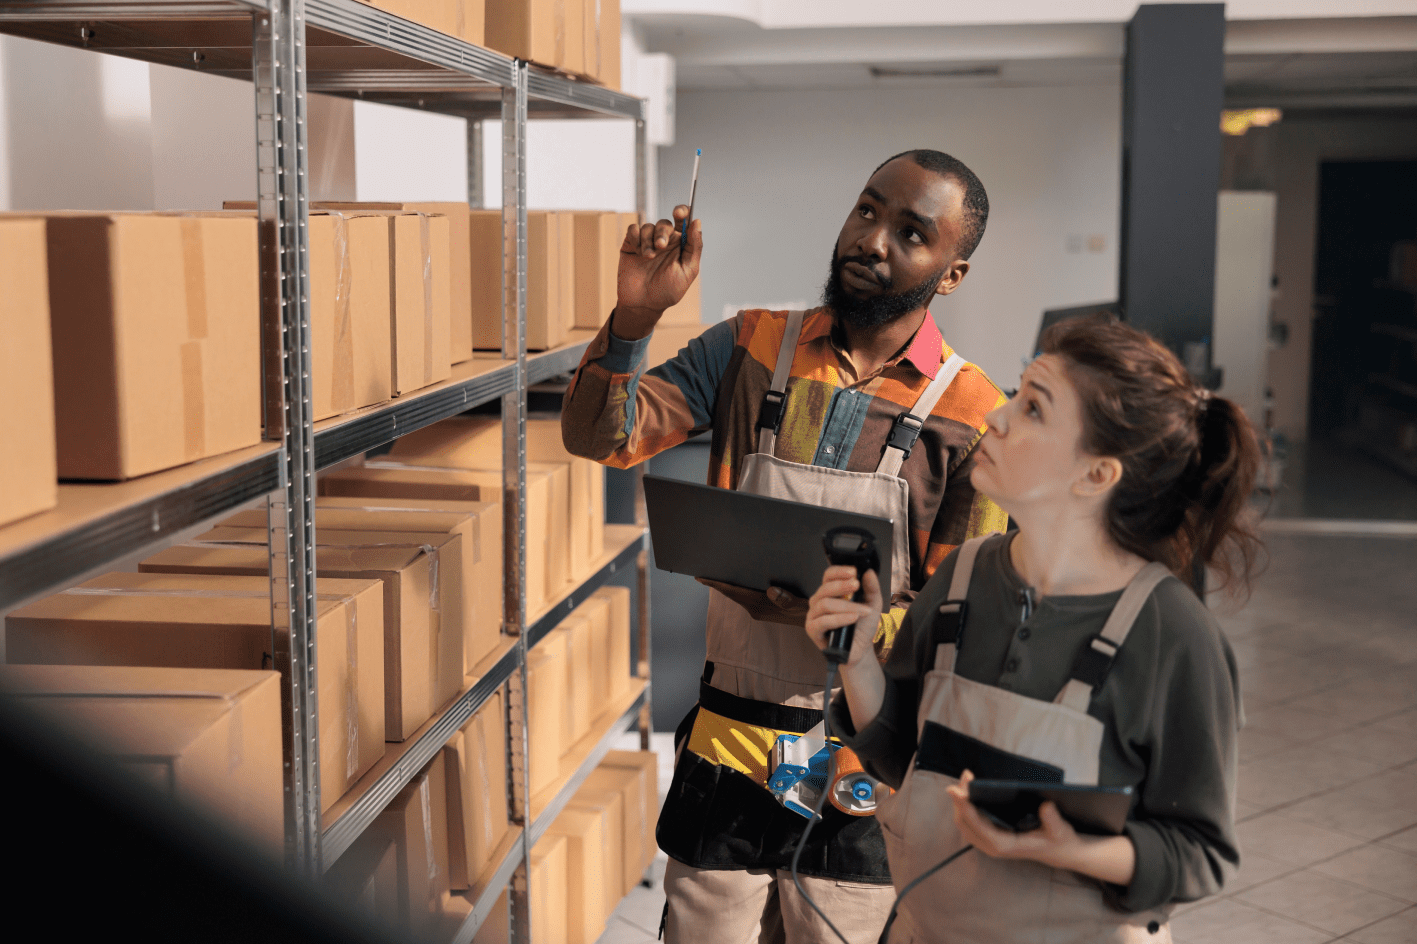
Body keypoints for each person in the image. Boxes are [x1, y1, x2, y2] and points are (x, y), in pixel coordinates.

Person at [561, 149, 1010, 942]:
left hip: (860, 764)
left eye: (910, 232)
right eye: (867, 210)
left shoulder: (973, 417)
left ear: (951, 274)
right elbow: (601, 435)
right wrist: (634, 316)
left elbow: (962, 625)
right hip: (727, 740)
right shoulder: (749, 346)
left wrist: (847, 623)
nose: (872, 240)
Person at [804, 314, 1260, 943]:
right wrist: (855, 660)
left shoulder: (1174, 635)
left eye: (1035, 408)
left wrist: (1069, 850)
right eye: (1019, 392)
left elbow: (1200, 854)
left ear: (1097, 474)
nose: (997, 416)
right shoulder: (961, 577)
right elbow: (901, 757)